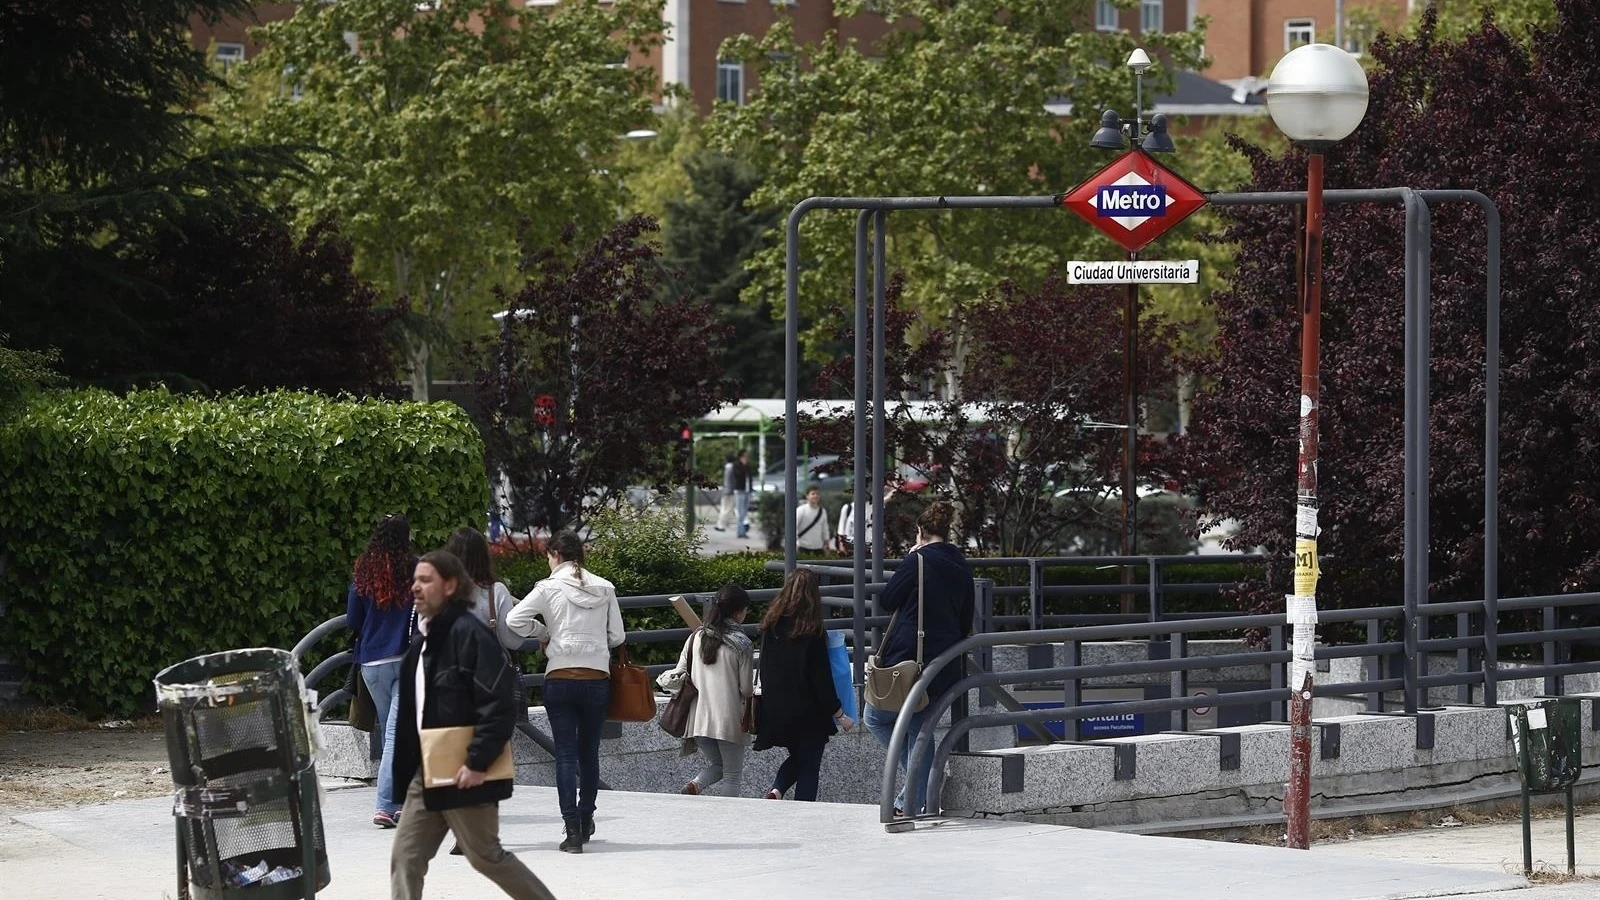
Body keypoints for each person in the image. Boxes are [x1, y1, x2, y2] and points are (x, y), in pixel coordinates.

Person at [389, 551, 556, 900]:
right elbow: (411, 714)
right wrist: (404, 776)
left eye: (425, 580)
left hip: (465, 768)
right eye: (415, 581)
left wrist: (477, 761)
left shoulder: (470, 635)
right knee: (406, 856)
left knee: (486, 857)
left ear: (450, 586)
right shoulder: (421, 641)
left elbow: (499, 705)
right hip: (428, 770)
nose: (416, 588)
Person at [506, 531, 624, 853]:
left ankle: (571, 831)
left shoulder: (547, 588)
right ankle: (587, 820)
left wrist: (544, 632)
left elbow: (514, 619)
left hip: (559, 676)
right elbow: (617, 636)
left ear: (555, 553)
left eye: (548, 556)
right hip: (597, 677)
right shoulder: (605, 586)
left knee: (566, 755)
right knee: (589, 753)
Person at [863, 500, 974, 818]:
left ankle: (910, 799)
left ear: (920, 531)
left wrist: (911, 558)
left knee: (877, 718)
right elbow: (966, 620)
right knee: (917, 728)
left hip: (910, 659)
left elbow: (887, 600)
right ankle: (923, 785)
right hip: (945, 661)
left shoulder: (918, 560)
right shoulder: (962, 567)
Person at [752, 569, 853, 801]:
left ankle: (776, 790)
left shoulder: (771, 626)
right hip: (807, 714)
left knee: (799, 757)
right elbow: (821, 681)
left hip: (776, 710)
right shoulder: (812, 630)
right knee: (809, 766)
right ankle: (804, 814)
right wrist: (840, 714)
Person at [346, 513, 416, 829]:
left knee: (392, 730)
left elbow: (353, 619)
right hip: (403, 657)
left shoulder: (364, 570)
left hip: (371, 662)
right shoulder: (414, 569)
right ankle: (388, 805)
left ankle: (399, 802)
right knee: (396, 733)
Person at [661, 584, 754, 797]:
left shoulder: (695, 637)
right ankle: (727, 820)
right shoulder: (743, 644)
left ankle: (695, 785)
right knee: (732, 775)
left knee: (718, 765)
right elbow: (747, 689)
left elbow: (680, 672)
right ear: (739, 611)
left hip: (697, 720)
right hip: (729, 721)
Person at [793, 485, 832, 553]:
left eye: (818, 494)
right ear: (807, 496)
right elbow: (794, 528)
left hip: (819, 548)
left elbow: (825, 528)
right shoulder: (800, 510)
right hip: (803, 547)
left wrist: (826, 543)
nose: (816, 496)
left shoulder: (823, 511)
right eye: (813, 494)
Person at [733, 449, 754, 538]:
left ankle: (742, 531)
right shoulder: (737, 465)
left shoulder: (747, 465)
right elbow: (738, 475)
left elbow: (750, 476)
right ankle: (740, 532)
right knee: (740, 511)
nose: (746, 458)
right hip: (740, 490)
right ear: (741, 456)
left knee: (744, 512)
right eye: (745, 456)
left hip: (747, 490)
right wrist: (743, 465)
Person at [715, 454, 737, 531]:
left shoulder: (726, 467)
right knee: (728, 509)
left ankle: (720, 523)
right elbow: (733, 480)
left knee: (723, 508)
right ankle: (721, 524)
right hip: (730, 491)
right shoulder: (732, 467)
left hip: (725, 490)